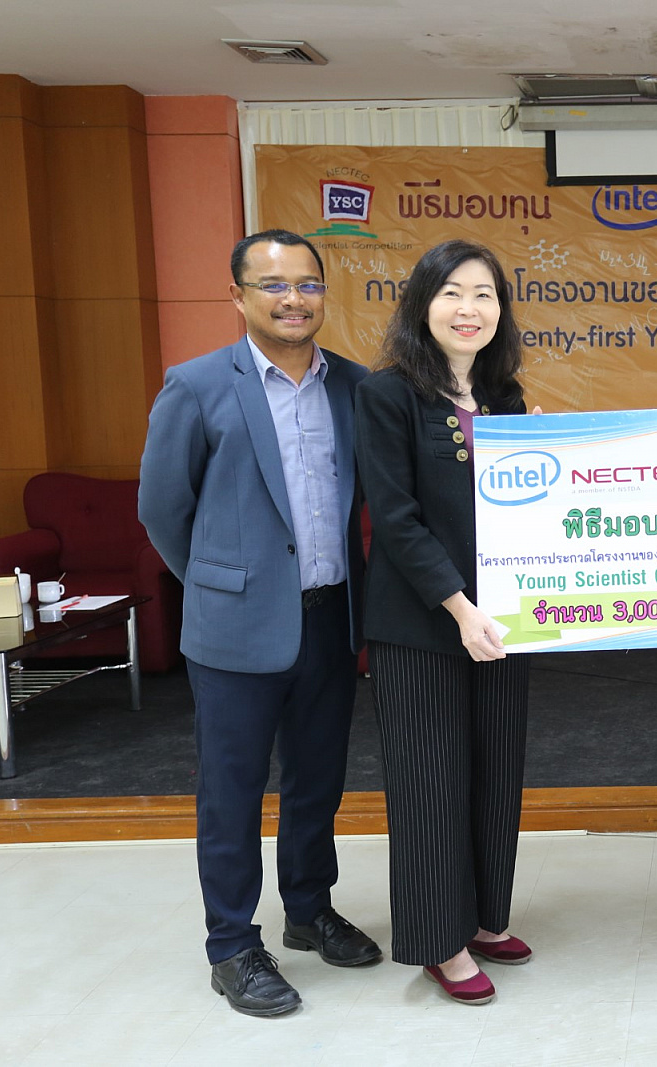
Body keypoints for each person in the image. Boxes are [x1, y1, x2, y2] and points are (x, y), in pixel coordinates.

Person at [140, 229, 380, 1018]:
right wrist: (223, 586)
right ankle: (233, 944)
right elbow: (163, 509)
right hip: (236, 629)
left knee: (317, 781)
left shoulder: (353, 386)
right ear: (238, 295)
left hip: (330, 618)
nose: (293, 299)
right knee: (232, 792)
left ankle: (309, 910)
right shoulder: (197, 385)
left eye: (308, 284)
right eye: (274, 285)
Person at [355, 240, 535, 1006]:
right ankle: (441, 941)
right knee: (430, 784)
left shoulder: (505, 398)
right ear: (422, 303)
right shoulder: (388, 394)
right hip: (423, 625)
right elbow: (395, 520)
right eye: (452, 292)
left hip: (504, 623)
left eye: (484, 294)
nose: (469, 308)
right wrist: (459, 607)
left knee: (495, 773)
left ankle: (485, 918)